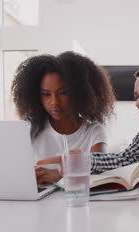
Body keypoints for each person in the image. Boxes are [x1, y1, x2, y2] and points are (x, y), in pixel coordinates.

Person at [11, 51, 116, 183]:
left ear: (79, 93)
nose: (54, 102)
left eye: (63, 93)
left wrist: (61, 175)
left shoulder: (93, 131)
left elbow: (101, 170)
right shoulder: (28, 129)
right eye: (46, 94)